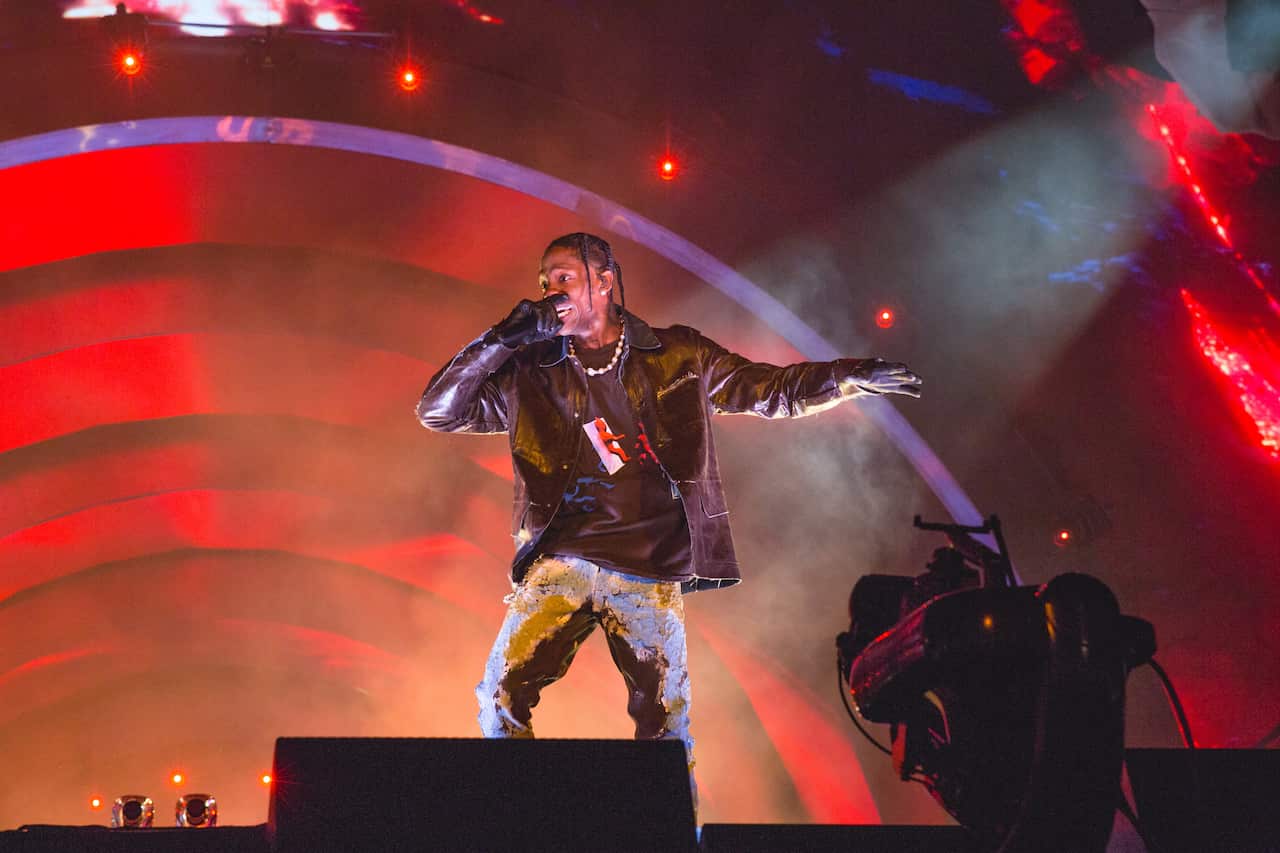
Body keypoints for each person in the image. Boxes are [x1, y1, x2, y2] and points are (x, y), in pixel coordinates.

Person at [415, 232, 921, 805]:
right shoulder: (530, 371)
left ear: (603, 281)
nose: (550, 291)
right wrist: (500, 341)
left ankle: (675, 832)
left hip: (647, 572)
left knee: (666, 728)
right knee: (500, 696)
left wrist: (846, 377)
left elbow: (765, 388)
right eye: (544, 282)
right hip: (560, 565)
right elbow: (439, 410)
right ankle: (523, 815)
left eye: (563, 278)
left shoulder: (677, 355)